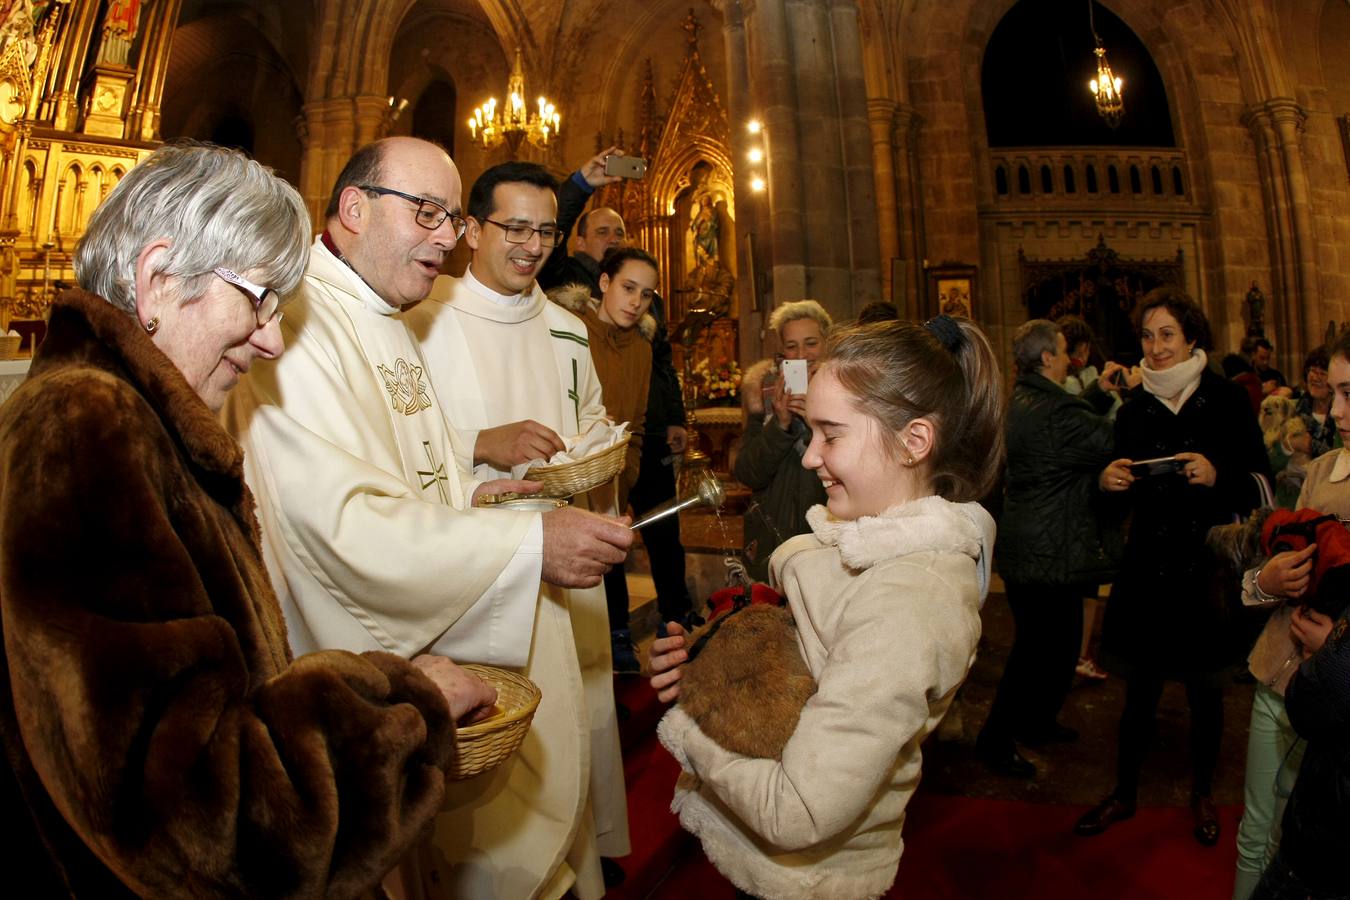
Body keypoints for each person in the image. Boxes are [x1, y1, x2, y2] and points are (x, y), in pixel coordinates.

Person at [0, 142, 497, 896]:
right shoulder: (87, 426)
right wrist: (401, 704)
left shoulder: (124, 416)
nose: (270, 339)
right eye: (256, 298)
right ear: (158, 281)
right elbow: (184, 810)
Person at [222, 137, 633, 900]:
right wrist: (524, 543)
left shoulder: (378, 309)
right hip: (344, 677)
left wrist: (474, 497)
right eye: (429, 213)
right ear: (354, 208)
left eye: (451, 216)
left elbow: (415, 463)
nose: (449, 237)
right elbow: (339, 527)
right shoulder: (304, 323)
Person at [649, 315, 1004, 899]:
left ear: (914, 441)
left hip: (809, 878)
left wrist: (689, 725)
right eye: (810, 432)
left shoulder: (908, 599)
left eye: (831, 435)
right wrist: (710, 671)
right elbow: (804, 676)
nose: (811, 457)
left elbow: (799, 810)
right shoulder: (862, 549)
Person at [404, 157, 633, 892]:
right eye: (514, 228)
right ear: (472, 229)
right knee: (499, 742)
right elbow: (393, 438)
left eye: (546, 230)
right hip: (478, 568)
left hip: (568, 552)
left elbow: (591, 419)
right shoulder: (420, 317)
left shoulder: (569, 329)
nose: (532, 245)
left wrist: (598, 452)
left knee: (576, 717)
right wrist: (479, 442)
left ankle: (577, 863)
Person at [1076, 287, 1270, 846]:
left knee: (1207, 692)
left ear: (1191, 339)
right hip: (1148, 569)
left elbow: (1261, 481)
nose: (1156, 347)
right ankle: (1124, 793)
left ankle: (1204, 792)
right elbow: (1113, 497)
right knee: (1138, 691)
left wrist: (1218, 475)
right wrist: (1107, 484)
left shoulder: (1226, 399)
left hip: (1205, 569)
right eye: (1147, 336)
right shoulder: (1133, 409)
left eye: (1167, 335)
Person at [975, 319, 1126, 779]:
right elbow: (1107, 438)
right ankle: (995, 740)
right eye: (1062, 351)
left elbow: (1072, 419)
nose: (1068, 358)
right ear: (1046, 358)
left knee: (1057, 647)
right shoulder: (1051, 411)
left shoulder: (1027, 399)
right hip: (1047, 549)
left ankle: (1037, 723)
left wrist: (1098, 392)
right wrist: (1137, 398)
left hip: (1037, 546)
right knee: (1036, 652)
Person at [1231, 330, 1350, 900]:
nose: (1336, 409)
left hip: (1337, 703)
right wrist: (1265, 580)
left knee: (1309, 836)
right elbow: (1270, 571)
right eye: (1336, 393)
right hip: (1278, 675)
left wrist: (1338, 643)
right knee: (1256, 829)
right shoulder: (1322, 470)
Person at [733, 299, 832, 582]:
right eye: (791, 346)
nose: (801, 354)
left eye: (811, 343)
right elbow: (748, 474)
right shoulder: (762, 393)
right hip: (773, 530)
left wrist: (817, 423)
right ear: (781, 349)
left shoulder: (848, 389)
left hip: (826, 529)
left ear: (827, 342)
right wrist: (781, 424)